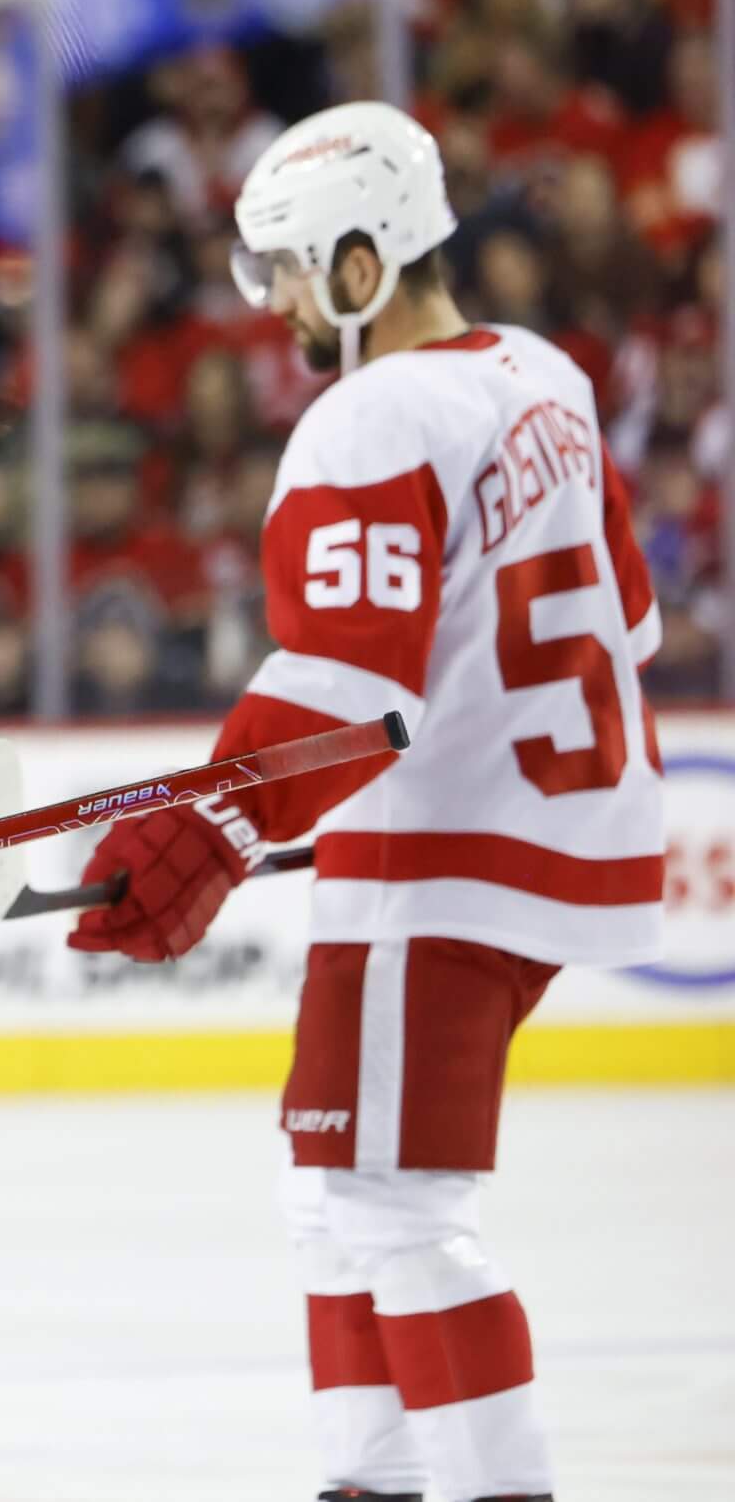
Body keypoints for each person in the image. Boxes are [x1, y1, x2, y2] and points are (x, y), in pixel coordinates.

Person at [69, 102, 664, 1502]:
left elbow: (347, 675)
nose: (271, 300)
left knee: (393, 1206)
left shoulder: (373, 413)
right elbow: (628, 626)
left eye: (285, 267)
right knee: (330, 1191)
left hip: (440, 863)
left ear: (360, 265)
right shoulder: (543, 376)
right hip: (525, 834)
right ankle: (373, 1478)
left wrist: (215, 822)